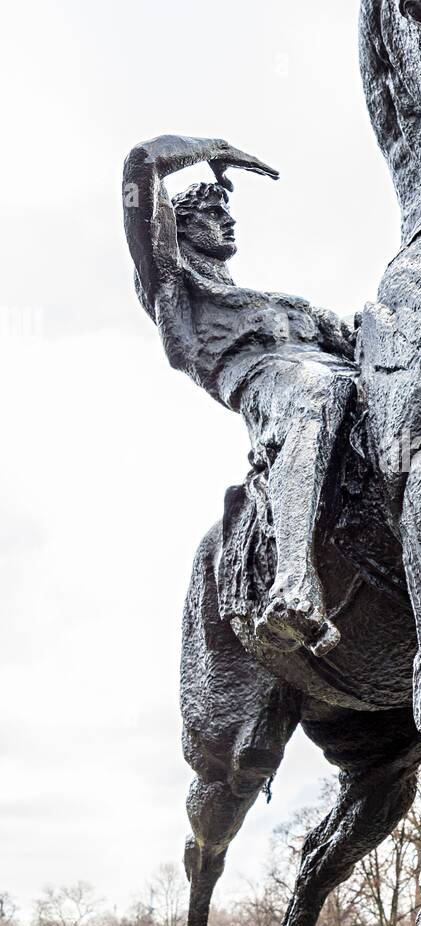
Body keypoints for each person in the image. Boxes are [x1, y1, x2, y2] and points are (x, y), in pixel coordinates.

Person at [122, 134, 355, 655]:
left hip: (335, 368)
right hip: (270, 384)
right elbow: (142, 164)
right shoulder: (171, 282)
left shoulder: (270, 299)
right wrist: (214, 149)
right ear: (179, 227)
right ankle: (292, 582)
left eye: (228, 213)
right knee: (318, 393)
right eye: (212, 213)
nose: (228, 222)